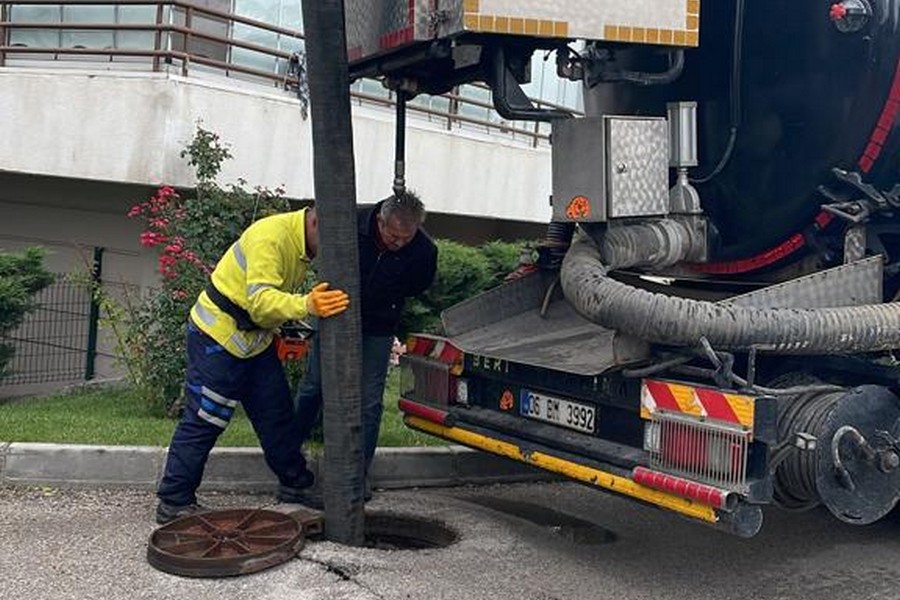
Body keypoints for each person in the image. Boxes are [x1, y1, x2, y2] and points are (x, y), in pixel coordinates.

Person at [155, 206, 349, 524]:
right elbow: (260, 303)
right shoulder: (271, 237)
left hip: (253, 341)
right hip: (217, 335)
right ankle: (174, 501)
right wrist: (305, 305)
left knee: (277, 415)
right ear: (314, 221)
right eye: (330, 243)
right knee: (206, 417)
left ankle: (295, 486)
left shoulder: (301, 244)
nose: (330, 253)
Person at [295, 191, 437, 500]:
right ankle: (288, 461)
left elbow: (419, 285)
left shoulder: (424, 251)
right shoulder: (351, 222)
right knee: (314, 386)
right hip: (335, 314)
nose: (396, 243)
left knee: (369, 400)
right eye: (391, 235)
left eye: (405, 238)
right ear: (380, 220)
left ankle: (358, 475)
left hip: (379, 324)